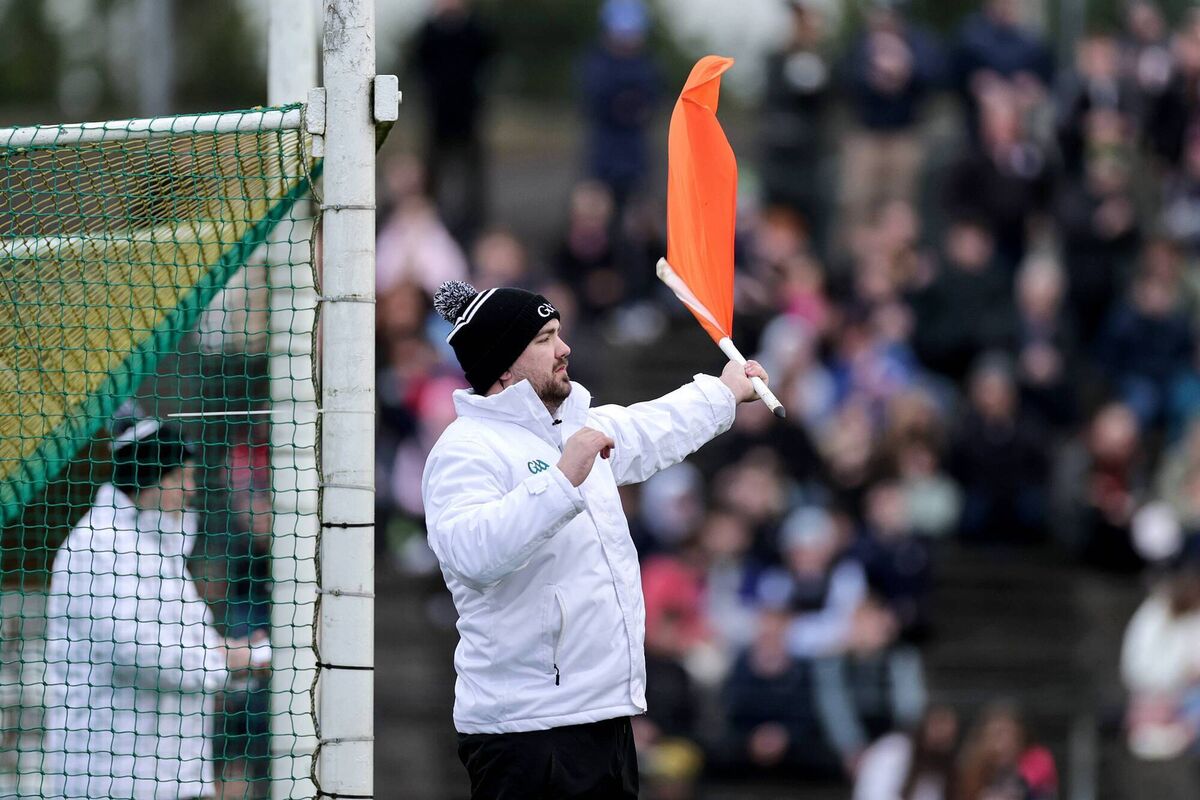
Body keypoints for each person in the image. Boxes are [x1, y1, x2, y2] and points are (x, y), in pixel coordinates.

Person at [421, 280, 770, 798]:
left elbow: (653, 426)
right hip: (526, 732)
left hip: (604, 718)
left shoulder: (575, 428)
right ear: (503, 365)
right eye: (544, 339)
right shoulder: (465, 450)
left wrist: (723, 392)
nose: (564, 349)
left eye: (558, 333)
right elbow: (473, 554)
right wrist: (562, 479)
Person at [41, 420, 268, 800]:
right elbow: (140, 652)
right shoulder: (99, 544)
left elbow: (186, 642)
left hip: (168, 775)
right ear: (154, 478)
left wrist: (235, 656)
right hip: (112, 778)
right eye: (183, 478)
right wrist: (224, 660)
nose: (191, 491)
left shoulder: (159, 548)